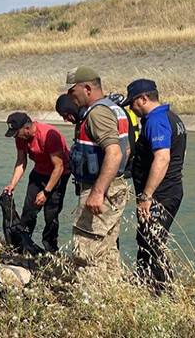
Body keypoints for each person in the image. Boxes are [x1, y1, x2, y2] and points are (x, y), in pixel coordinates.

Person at [60, 66, 130, 274]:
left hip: (100, 190)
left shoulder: (97, 114)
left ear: (87, 88)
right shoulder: (114, 109)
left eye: (72, 91)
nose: (68, 96)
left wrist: (98, 192)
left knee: (86, 253)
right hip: (114, 187)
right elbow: (126, 151)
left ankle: (89, 298)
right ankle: (112, 298)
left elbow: (115, 153)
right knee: (106, 251)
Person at [123, 79, 187, 293]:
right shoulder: (173, 118)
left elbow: (162, 158)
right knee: (145, 239)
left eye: (132, 102)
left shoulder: (156, 120)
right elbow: (182, 153)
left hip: (160, 194)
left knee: (152, 242)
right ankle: (144, 284)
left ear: (144, 98)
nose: (131, 107)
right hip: (170, 189)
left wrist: (147, 196)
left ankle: (165, 294)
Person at [3, 112, 70, 253]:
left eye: (17, 133)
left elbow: (59, 167)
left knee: (50, 215)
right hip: (39, 172)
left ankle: (51, 249)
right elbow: (21, 161)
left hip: (59, 175)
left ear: (27, 128)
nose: (15, 136)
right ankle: (23, 244)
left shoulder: (49, 135)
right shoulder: (20, 138)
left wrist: (46, 192)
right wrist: (12, 184)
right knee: (28, 211)